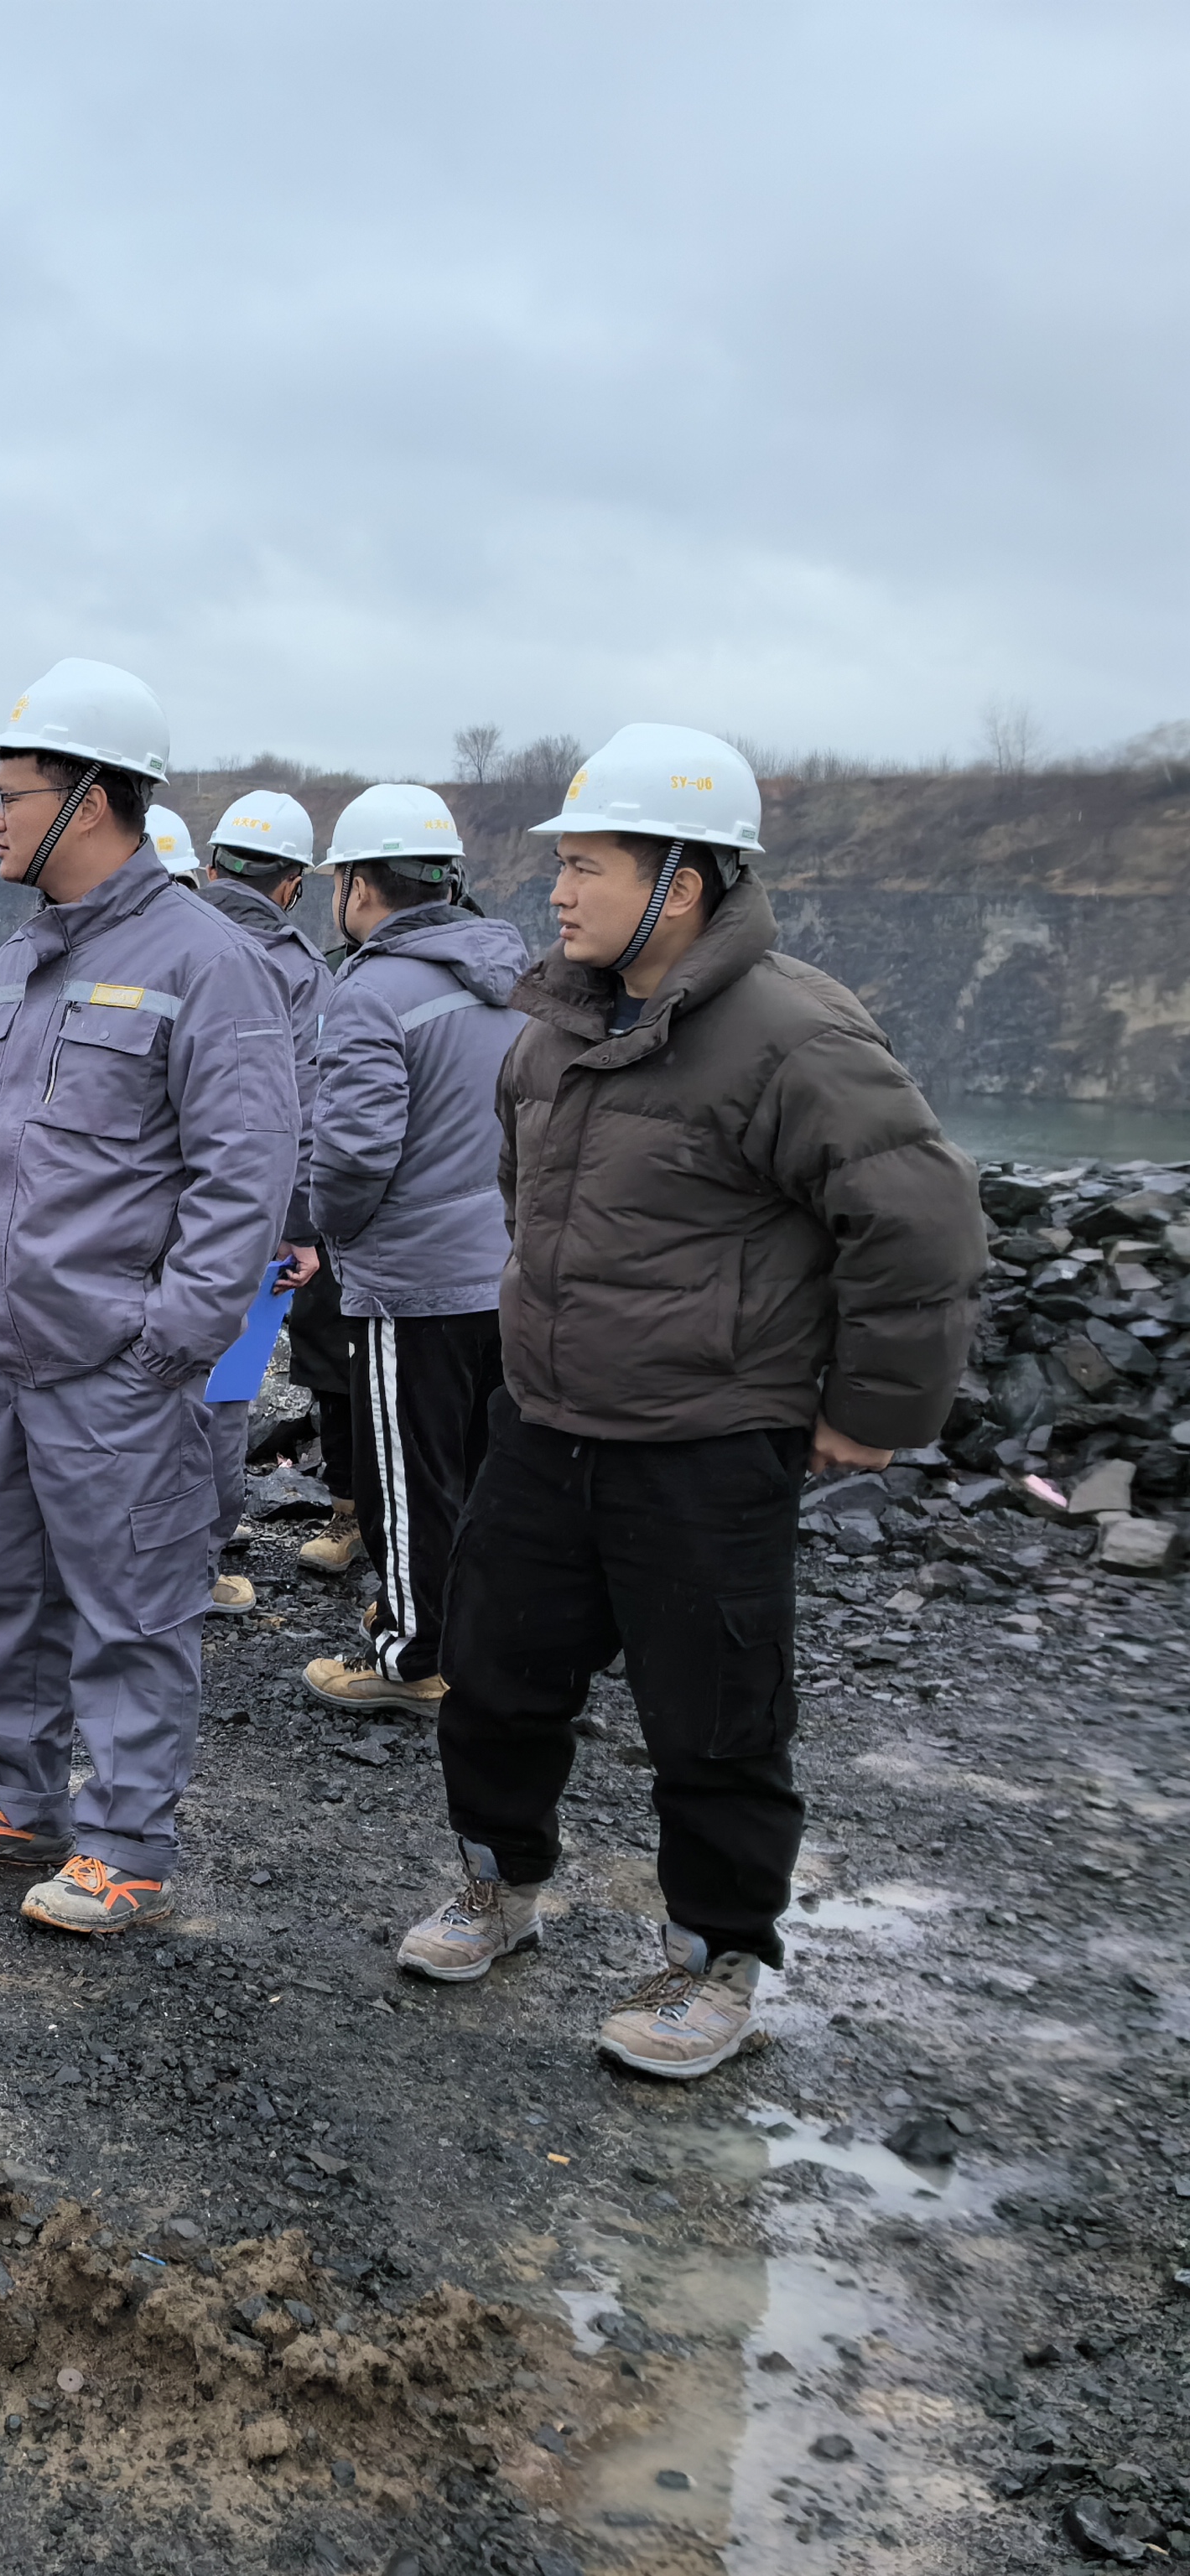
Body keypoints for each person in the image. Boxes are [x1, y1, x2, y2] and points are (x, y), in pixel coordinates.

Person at [395, 725, 981, 2079]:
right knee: (494, 1680)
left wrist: (870, 1409)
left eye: (588, 866)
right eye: (561, 866)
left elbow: (921, 1221)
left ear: (685, 882)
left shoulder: (793, 1033)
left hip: (705, 1446)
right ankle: (498, 1885)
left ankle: (717, 1959)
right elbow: (525, 1195)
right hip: (545, 1425)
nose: (557, 891)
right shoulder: (554, 1030)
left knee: (715, 1719)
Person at [0, 661, 298, 1933]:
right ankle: (16, 1799)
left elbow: (247, 1171)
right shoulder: (20, 960)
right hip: (2, 1352)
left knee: (133, 1609)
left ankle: (126, 1845)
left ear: (93, 800)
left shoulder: (209, 962)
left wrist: (173, 1337)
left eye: (11, 796)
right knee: (7, 1591)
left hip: (118, 1363)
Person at [285, 786, 529, 1720]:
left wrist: (332, 1230)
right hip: (509, 1273)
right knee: (486, 1469)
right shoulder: (518, 979)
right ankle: (476, 1638)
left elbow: (352, 1154)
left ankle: (412, 1659)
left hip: (414, 1282)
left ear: (356, 885)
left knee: (409, 1480)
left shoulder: (372, 992)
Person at [193, 788, 327, 1612]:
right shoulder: (302, 972)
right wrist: (298, 1227)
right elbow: (305, 1110)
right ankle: (197, 1566)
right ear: (292, 885)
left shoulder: (157, 937)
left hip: (140, 1209)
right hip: (246, 1218)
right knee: (222, 1389)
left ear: (211, 866)